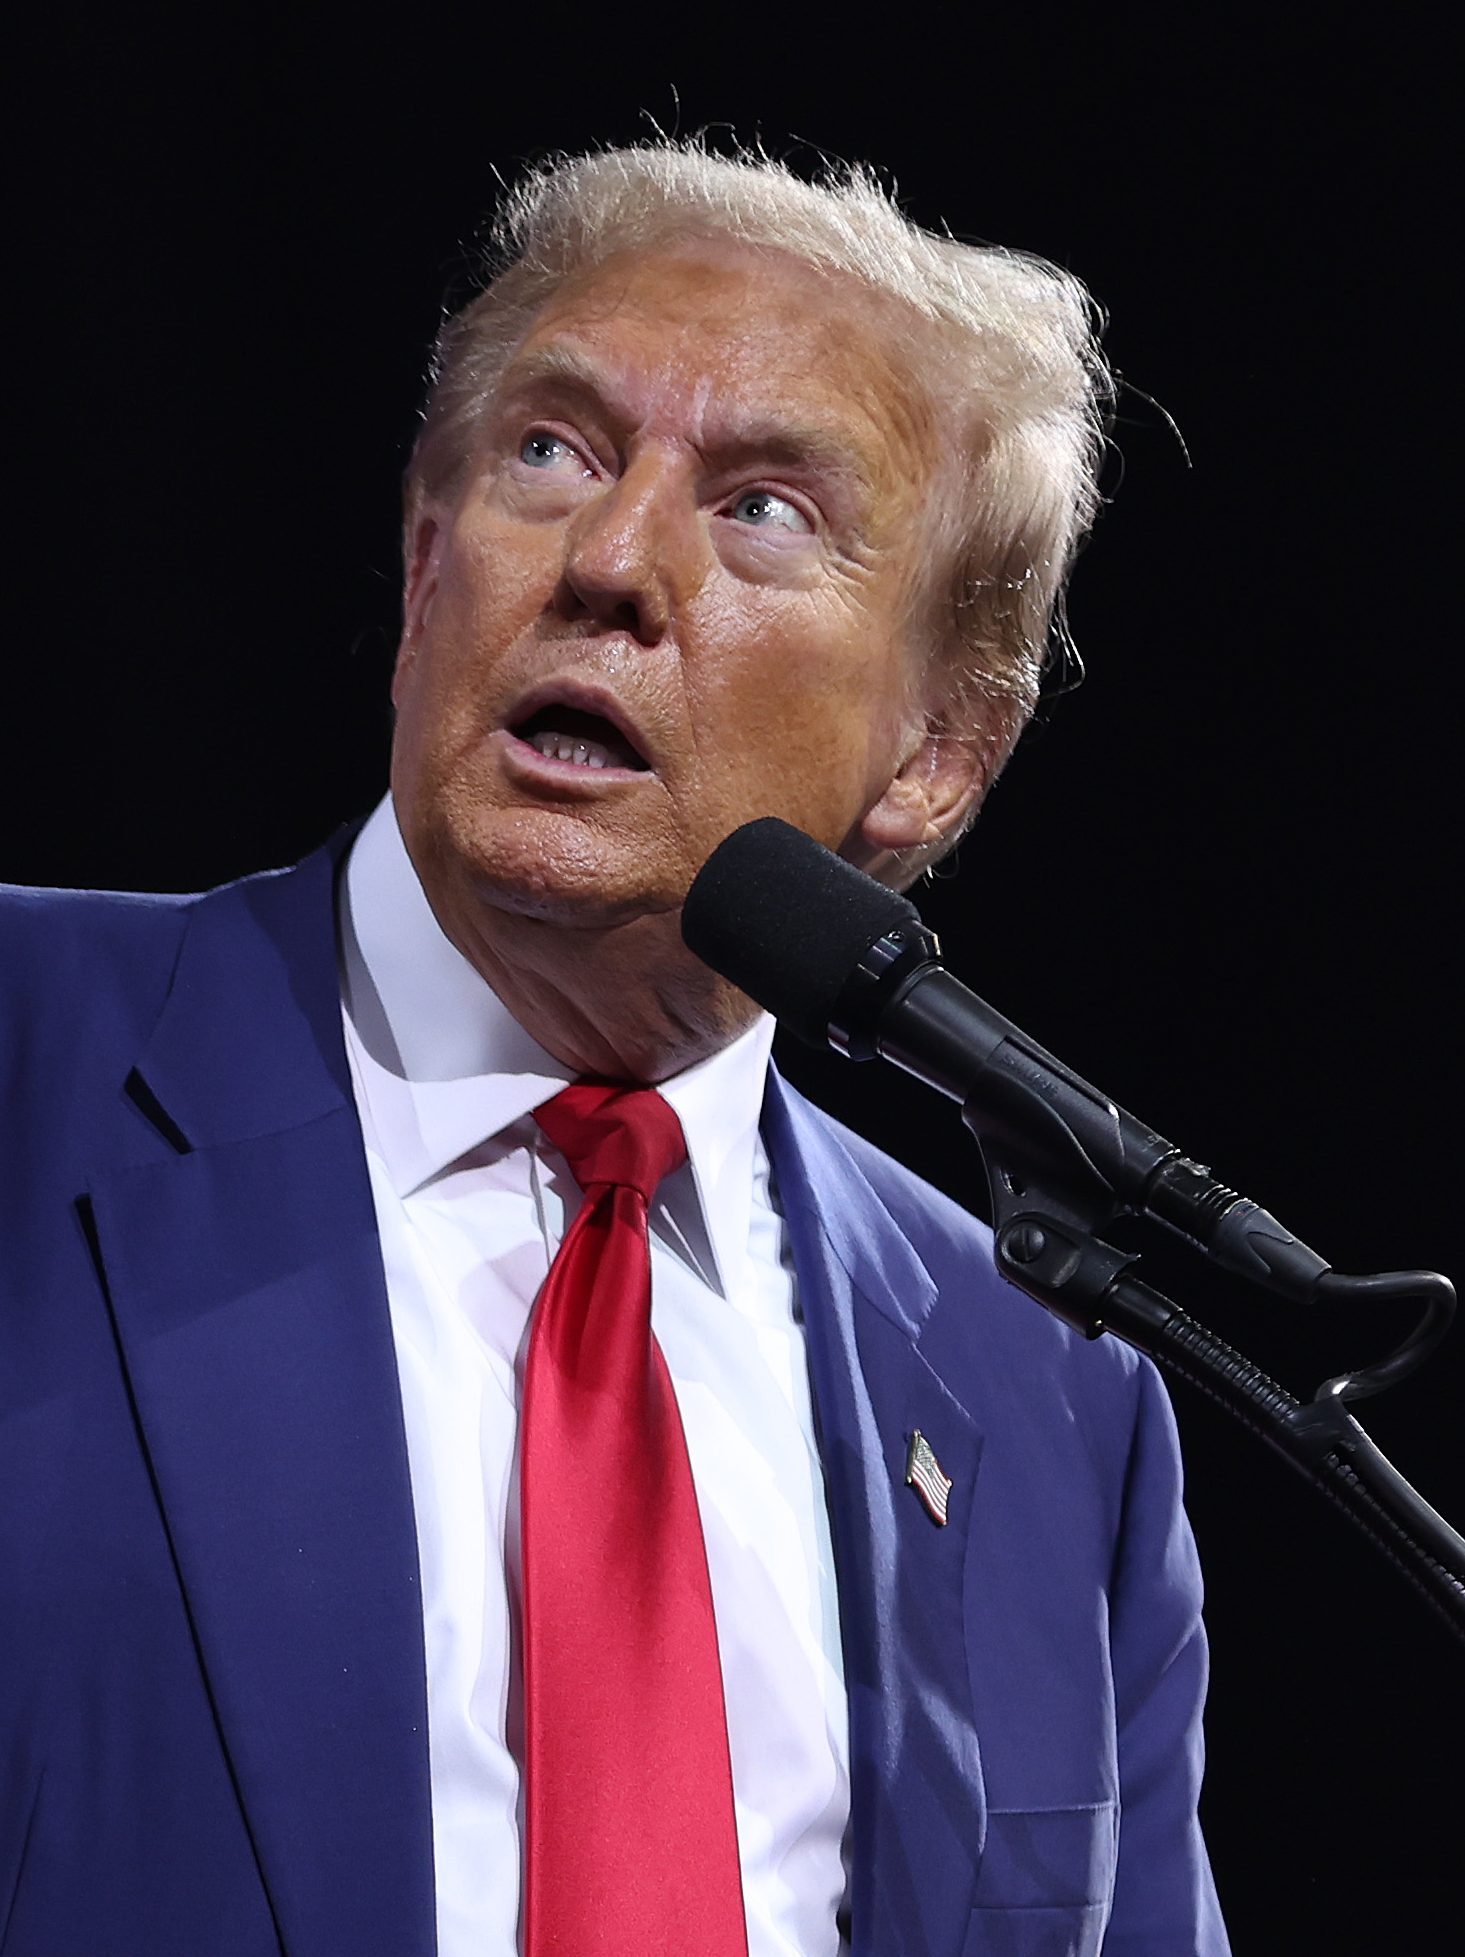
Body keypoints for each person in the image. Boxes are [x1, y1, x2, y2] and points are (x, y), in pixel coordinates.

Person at [0, 142, 1230, 1956]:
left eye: (764, 510)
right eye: (550, 452)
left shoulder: (1052, 1398)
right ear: (427, 576)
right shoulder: (30, 1061)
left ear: (933, 759)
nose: (610, 558)